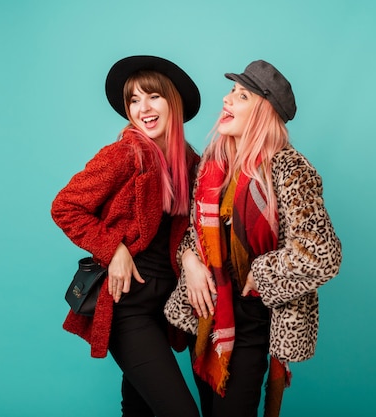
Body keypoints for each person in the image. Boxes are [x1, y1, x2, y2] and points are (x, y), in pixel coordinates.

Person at [164, 60, 343, 417]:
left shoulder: (290, 170)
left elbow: (323, 254)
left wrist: (260, 273)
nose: (227, 100)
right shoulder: (214, 165)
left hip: (253, 318)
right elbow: (193, 235)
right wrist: (190, 261)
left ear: (263, 111)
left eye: (241, 95)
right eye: (231, 91)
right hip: (209, 319)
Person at [51, 55, 201, 417]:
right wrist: (113, 248)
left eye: (152, 97)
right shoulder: (124, 154)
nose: (142, 108)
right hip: (127, 308)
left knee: (140, 409)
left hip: (165, 306)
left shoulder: (190, 162)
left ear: (173, 101)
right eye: (133, 100)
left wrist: (191, 258)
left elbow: (191, 231)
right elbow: (64, 206)